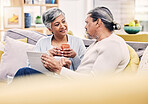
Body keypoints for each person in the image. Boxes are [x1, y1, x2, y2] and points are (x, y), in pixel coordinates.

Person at [40, 6, 130, 78]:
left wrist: (59, 69)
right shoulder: (98, 43)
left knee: (26, 72)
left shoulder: (113, 45)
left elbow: (95, 83)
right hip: (73, 86)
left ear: (98, 22)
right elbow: (83, 72)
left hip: (81, 92)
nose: (85, 27)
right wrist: (66, 69)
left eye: (87, 23)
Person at [14, 7, 86, 77]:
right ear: (50, 29)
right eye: (57, 24)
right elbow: (31, 67)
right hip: (47, 80)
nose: (62, 26)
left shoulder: (77, 42)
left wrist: (74, 57)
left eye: (63, 21)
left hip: (66, 80)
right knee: (24, 71)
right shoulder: (42, 42)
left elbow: (85, 70)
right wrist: (47, 55)